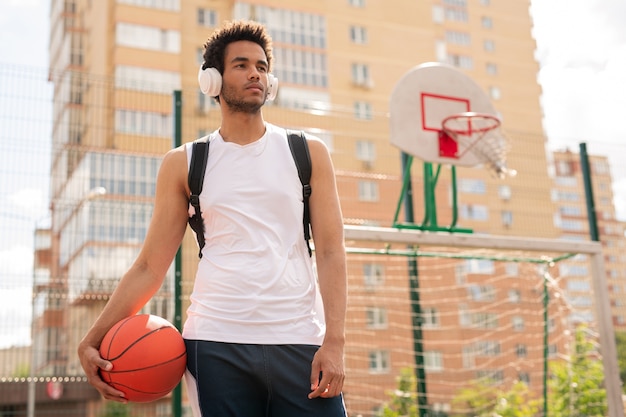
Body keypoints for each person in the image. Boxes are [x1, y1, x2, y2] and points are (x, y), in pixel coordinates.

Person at [78, 20, 348, 417]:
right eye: (241, 64)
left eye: (261, 66)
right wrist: (92, 337)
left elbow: (329, 250)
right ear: (212, 80)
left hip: (300, 338)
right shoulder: (185, 162)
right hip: (216, 342)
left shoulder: (307, 152)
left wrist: (336, 342)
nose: (255, 72)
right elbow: (151, 266)